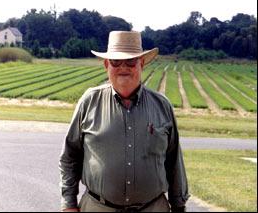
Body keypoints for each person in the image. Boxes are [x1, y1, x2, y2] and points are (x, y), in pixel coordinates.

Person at [59, 31, 189, 212]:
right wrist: (69, 203)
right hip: (98, 207)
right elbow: (69, 157)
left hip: (152, 208)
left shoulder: (162, 106)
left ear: (141, 63)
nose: (123, 67)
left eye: (131, 61)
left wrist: (179, 206)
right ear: (106, 64)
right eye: (116, 62)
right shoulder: (89, 102)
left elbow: (174, 161)